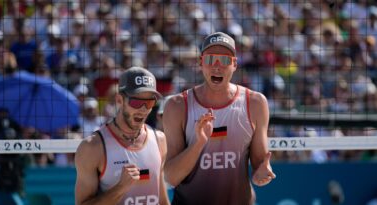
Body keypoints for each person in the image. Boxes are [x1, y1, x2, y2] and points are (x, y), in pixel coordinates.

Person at [163, 32, 276, 205]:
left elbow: (259, 164)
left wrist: (262, 172)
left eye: (224, 60)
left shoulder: (255, 103)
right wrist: (199, 144)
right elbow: (170, 177)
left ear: (234, 64)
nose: (217, 66)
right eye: (210, 59)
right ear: (201, 62)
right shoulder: (177, 106)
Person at [75, 67, 170, 205]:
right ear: (119, 100)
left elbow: (161, 200)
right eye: (136, 102)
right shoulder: (92, 147)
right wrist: (121, 188)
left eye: (149, 102)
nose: (143, 109)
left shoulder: (159, 140)